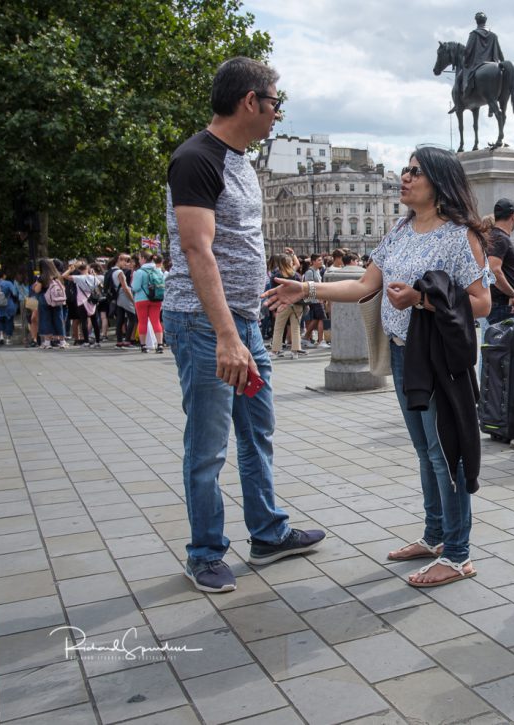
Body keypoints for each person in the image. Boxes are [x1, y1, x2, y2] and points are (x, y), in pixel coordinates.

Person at [264, 146, 492, 587]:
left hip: (441, 359)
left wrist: (421, 300)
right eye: (405, 171)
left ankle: (460, 554)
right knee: (426, 452)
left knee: (447, 455)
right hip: (405, 353)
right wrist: (306, 289)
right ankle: (435, 536)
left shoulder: (458, 235)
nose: (404, 178)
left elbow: (481, 303)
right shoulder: (401, 230)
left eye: (415, 172)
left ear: (440, 183)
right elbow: (365, 286)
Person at [162, 57, 324, 593]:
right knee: (208, 444)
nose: (279, 114)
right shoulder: (195, 158)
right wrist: (228, 335)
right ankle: (205, 552)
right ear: (250, 101)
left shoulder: (242, 163)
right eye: (276, 103)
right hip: (206, 324)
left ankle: (267, 532)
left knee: (258, 433)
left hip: (246, 319)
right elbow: (196, 249)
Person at [485, 198, 514, 325]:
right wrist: (512, 294)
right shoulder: (500, 238)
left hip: (499, 304)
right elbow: (493, 270)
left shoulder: (494, 236)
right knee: (504, 343)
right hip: (503, 305)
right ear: (513, 216)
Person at [269, 253, 304, 358]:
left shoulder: (276, 276)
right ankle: (295, 351)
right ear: (290, 263)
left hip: (282, 304)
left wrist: (273, 308)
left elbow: (273, 292)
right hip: (297, 304)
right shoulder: (297, 275)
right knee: (295, 327)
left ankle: (275, 350)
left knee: (279, 327)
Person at [461, 12, 504, 98]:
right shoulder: (493, 35)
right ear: (485, 21)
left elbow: (468, 50)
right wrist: (503, 64)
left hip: (476, 64)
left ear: (476, 21)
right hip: (492, 62)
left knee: (462, 75)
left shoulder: (474, 34)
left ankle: (466, 93)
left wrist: (464, 62)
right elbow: (499, 52)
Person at [131, 250, 165, 353]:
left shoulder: (139, 272)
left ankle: (144, 346)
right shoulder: (158, 271)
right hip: (156, 299)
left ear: (144, 259)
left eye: (140, 258)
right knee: (156, 321)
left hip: (141, 299)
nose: (139, 260)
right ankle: (160, 345)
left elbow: (135, 287)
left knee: (142, 322)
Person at [34, 258, 67, 349]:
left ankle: (48, 343)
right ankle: (62, 341)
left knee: (46, 320)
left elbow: (37, 290)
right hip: (57, 300)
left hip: (45, 301)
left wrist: (36, 284)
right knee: (58, 319)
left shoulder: (43, 277)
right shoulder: (57, 275)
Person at [301, 253, 328, 348]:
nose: (321, 262)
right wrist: (318, 297)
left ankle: (305, 338)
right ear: (313, 261)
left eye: (321, 260)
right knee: (320, 318)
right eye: (319, 260)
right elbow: (309, 286)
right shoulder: (310, 272)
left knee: (317, 319)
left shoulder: (317, 271)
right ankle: (320, 341)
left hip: (317, 299)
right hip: (314, 299)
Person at [0, 271, 18, 345]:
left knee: (0, 321)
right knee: (9, 321)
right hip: (8, 304)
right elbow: (14, 292)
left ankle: (1, 337)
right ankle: (8, 338)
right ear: (3, 276)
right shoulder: (8, 283)